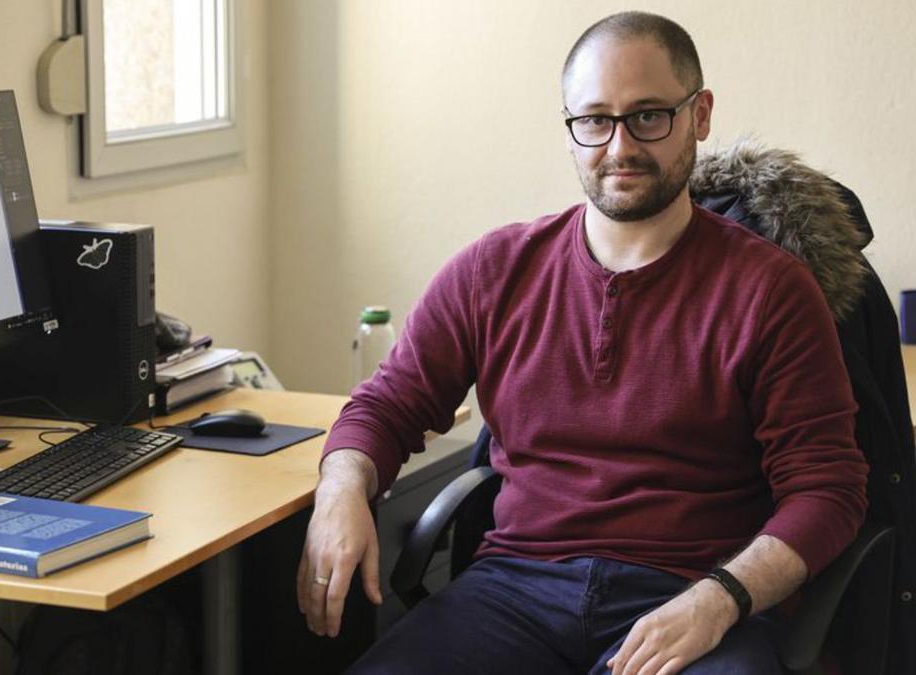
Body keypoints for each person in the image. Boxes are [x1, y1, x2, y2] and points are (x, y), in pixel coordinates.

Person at [297, 11, 869, 675]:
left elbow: (829, 488)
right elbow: (388, 405)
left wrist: (721, 598)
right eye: (595, 119)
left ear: (700, 114)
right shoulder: (493, 271)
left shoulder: (772, 291)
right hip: (513, 593)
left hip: (689, 596)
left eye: (649, 115)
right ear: (569, 126)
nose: (619, 146)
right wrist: (339, 492)